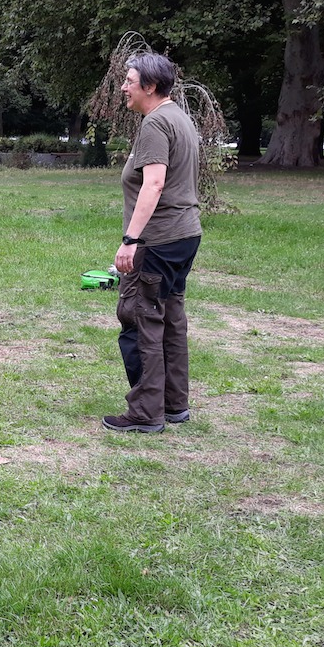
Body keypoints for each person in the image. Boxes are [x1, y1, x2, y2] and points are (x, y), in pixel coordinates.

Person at [103, 53, 202, 433]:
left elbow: (154, 184)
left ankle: (146, 412)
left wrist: (131, 239)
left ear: (150, 86)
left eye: (129, 81)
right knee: (171, 318)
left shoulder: (156, 124)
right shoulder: (179, 117)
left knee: (141, 318)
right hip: (184, 235)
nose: (124, 87)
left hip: (157, 241)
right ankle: (174, 404)